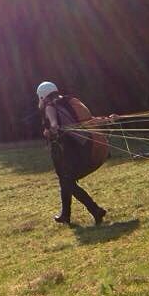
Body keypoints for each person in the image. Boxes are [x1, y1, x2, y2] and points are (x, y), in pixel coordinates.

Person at [38, 81, 107, 226]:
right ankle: (65, 215)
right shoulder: (67, 101)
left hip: (72, 152)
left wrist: (51, 129)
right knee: (65, 180)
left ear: (42, 96)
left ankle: (95, 210)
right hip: (84, 147)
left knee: (67, 181)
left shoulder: (50, 106)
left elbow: (53, 124)